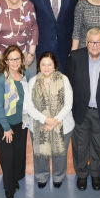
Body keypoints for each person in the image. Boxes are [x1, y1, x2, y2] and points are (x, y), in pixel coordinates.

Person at [66, 28, 100, 191]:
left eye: (98, 42)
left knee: (99, 145)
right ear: (86, 42)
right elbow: (67, 84)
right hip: (80, 110)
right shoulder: (74, 58)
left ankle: (96, 173)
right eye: (91, 42)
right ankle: (82, 175)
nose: (95, 45)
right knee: (80, 146)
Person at [24, 51, 75, 188]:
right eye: (43, 64)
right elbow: (28, 106)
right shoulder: (33, 81)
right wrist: (45, 119)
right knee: (41, 154)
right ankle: (41, 176)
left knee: (60, 155)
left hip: (63, 124)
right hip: (39, 124)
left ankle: (59, 176)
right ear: (39, 66)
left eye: (49, 64)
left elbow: (68, 104)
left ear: (55, 66)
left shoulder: (64, 79)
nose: (46, 68)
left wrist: (55, 121)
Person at [26, 0, 80, 72]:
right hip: (43, 44)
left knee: (65, 78)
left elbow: (77, 16)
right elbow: (30, 18)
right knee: (44, 79)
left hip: (67, 45)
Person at [0, 46, 29, 198]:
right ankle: (9, 188)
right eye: (11, 59)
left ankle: (14, 179)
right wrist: (6, 128)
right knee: (8, 157)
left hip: (21, 122)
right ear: (6, 61)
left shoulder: (24, 75)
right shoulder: (1, 79)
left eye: (17, 58)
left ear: (21, 59)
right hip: (4, 124)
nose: (14, 62)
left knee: (19, 155)